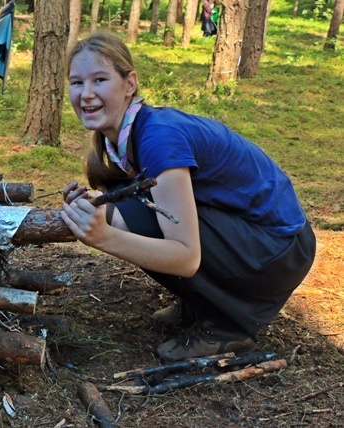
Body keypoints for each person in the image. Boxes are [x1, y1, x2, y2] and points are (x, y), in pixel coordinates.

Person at [61, 31, 316, 363]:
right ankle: (204, 305)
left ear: (129, 84)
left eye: (100, 79)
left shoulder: (158, 137)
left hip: (279, 252)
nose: (87, 94)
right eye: (77, 82)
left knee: (132, 221)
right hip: (263, 244)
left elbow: (185, 257)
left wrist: (102, 236)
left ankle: (226, 328)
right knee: (121, 211)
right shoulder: (131, 132)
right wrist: (93, 203)